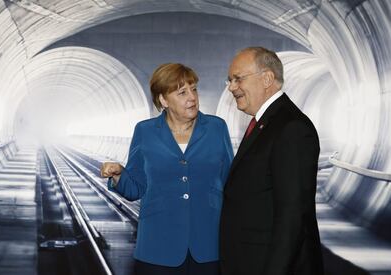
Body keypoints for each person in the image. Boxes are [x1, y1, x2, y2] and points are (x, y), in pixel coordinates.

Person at [101, 63, 233, 275]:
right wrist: (119, 175)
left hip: (208, 246)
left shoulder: (217, 128)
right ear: (163, 100)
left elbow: (230, 182)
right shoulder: (145, 131)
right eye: (182, 92)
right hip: (158, 247)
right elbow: (135, 188)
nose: (192, 97)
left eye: (194, 89)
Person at [220, 47, 324, 275]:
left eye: (238, 79)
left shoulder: (291, 128)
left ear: (267, 78)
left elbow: (292, 216)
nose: (231, 87)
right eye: (229, 80)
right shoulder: (265, 123)